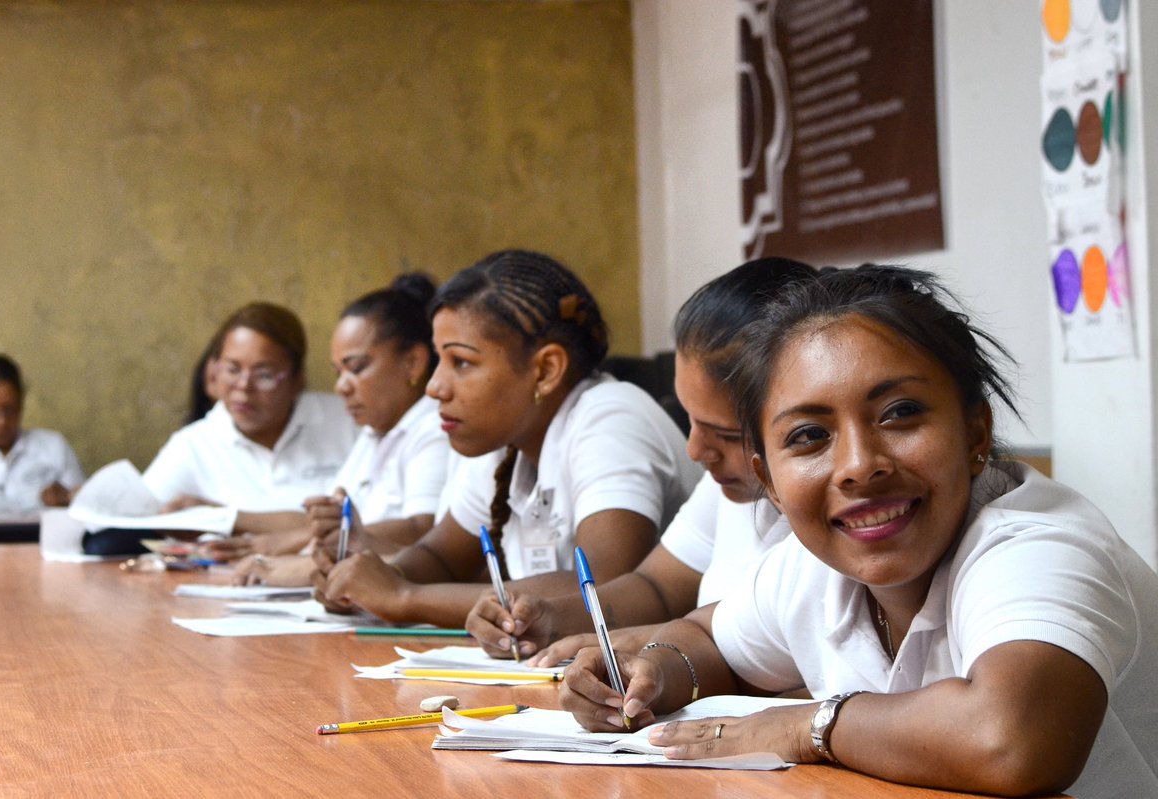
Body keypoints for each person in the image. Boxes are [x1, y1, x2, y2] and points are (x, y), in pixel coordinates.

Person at [560, 265, 1158, 798]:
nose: (858, 464)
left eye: (900, 413)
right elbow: (707, 638)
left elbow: (1013, 741)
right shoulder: (810, 565)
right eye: (808, 436)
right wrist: (654, 672)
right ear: (768, 479)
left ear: (977, 433)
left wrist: (806, 726)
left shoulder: (1036, 546)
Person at [313, 249, 702, 628]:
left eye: (461, 362)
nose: (434, 387)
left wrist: (402, 598)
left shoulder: (611, 418)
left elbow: (600, 589)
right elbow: (441, 557)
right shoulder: (504, 439)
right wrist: (364, 580)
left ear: (546, 369)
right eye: (439, 360)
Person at [465, 258, 816, 663]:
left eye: (726, 434)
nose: (695, 450)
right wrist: (550, 616)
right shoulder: (731, 487)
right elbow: (658, 585)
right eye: (690, 420)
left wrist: (658, 647)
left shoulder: (839, 514)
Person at [224, 274, 451, 586]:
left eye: (356, 368)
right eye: (338, 371)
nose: (341, 386)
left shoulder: (434, 426)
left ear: (413, 362)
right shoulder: (373, 433)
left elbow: (425, 529)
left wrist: (297, 565)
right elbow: (334, 527)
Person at [141, 302, 356, 530]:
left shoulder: (347, 420)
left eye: (264, 375)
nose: (243, 386)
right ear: (213, 372)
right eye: (232, 369)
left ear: (297, 380)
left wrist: (223, 519)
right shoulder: (194, 444)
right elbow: (135, 519)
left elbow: (367, 524)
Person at [0, 354, 84, 512]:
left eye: (10, 409)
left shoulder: (51, 446)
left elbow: (89, 512)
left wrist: (68, 499)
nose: (2, 421)